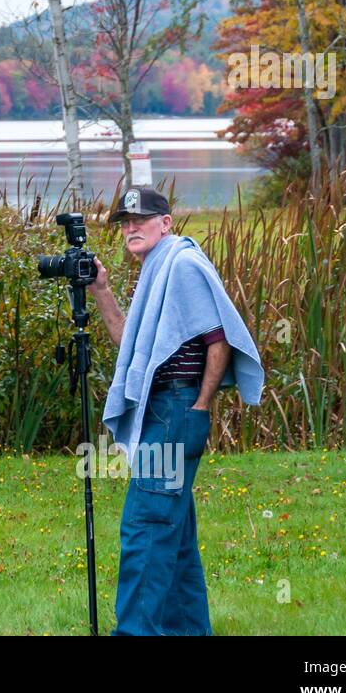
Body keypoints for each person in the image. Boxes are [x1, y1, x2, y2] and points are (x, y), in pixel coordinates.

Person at [87, 186, 264, 636]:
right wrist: (102, 290)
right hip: (165, 410)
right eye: (125, 222)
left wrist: (202, 403)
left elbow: (218, 338)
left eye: (140, 219)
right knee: (176, 536)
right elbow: (130, 342)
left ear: (165, 223)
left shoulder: (182, 265)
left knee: (145, 529)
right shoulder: (156, 270)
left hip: (174, 410)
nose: (130, 227)